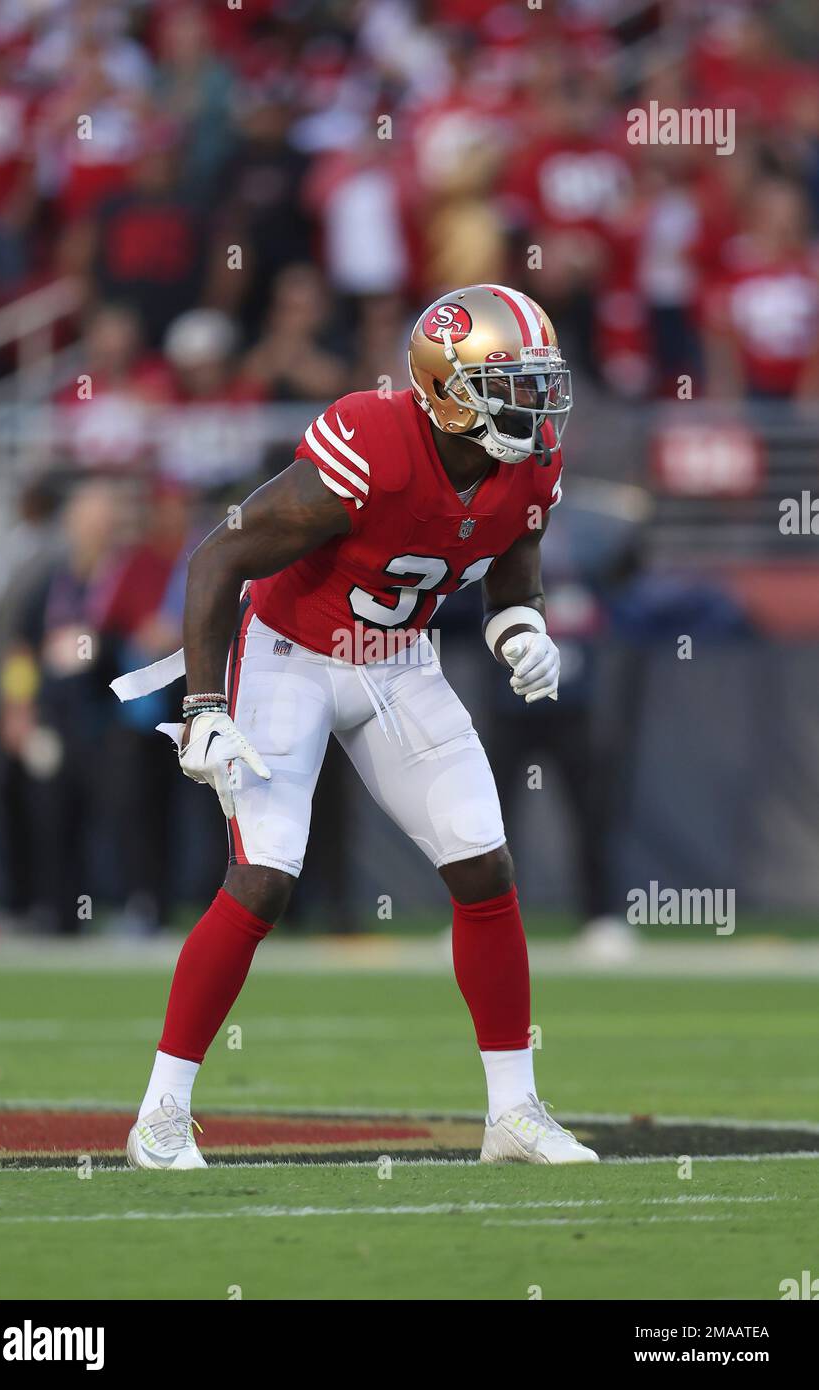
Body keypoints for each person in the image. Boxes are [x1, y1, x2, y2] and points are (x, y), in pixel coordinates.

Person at [118, 283, 598, 1169]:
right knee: (264, 877)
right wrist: (203, 707)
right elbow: (220, 554)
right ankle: (160, 1114)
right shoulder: (374, 438)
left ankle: (514, 1112)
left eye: (540, 382)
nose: (536, 404)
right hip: (286, 654)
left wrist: (521, 626)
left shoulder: (528, 460)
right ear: (449, 389)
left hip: (396, 661)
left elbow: (511, 557)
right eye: (513, 384)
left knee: (483, 859)